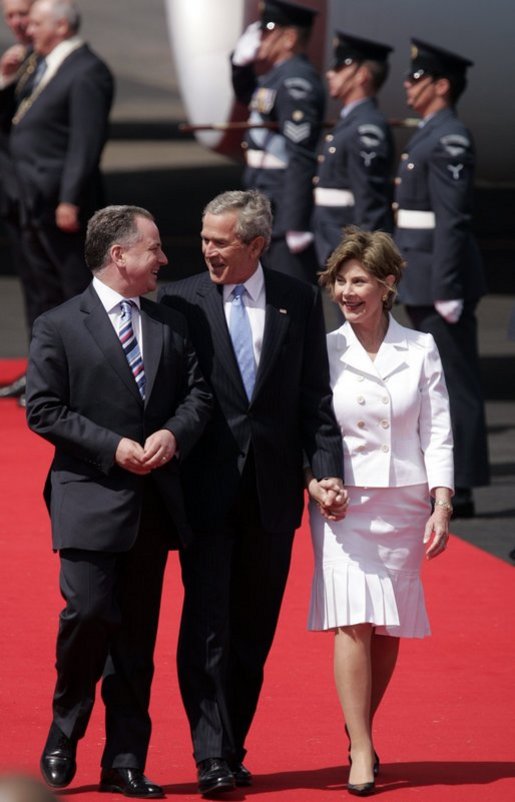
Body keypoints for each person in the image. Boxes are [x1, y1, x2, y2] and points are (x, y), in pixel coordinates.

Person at [159, 189, 346, 795]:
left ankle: (233, 744)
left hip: (271, 494)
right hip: (205, 488)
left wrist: (324, 469)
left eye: (221, 241)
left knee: (253, 628)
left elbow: (315, 399)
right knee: (208, 623)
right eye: (205, 239)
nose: (207, 250)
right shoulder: (180, 300)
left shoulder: (296, 300)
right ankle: (209, 753)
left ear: (257, 245)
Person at [25, 205, 212, 797]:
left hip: (154, 505)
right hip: (88, 495)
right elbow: (43, 409)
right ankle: (65, 728)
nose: (164, 259)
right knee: (86, 613)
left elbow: (197, 395)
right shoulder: (59, 324)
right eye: (153, 248)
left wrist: (172, 433)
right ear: (119, 255)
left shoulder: (168, 324)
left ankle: (125, 758)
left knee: (136, 637)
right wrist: (115, 448)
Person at [306, 227, 454, 797]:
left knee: (387, 624)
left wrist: (442, 501)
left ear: (387, 285)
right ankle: (362, 748)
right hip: (344, 504)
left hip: (405, 499)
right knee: (352, 618)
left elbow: (437, 428)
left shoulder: (419, 347)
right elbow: (311, 428)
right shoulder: (323, 350)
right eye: (339, 281)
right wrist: (316, 484)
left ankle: (359, 726)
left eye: (358, 280)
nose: (346, 291)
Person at [393, 38, 489, 517]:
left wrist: (448, 286)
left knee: (455, 380)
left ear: (442, 85)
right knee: (437, 380)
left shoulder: (450, 136)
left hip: (440, 277)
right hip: (423, 271)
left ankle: (464, 484)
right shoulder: (431, 131)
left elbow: (452, 219)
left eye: (416, 78)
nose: (407, 85)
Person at [5, 0, 114, 407]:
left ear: (61, 26)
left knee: (74, 294)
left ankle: (88, 381)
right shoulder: (41, 64)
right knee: (41, 293)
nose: (26, 29)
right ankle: (47, 376)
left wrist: (70, 199)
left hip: (60, 204)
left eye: (34, 23)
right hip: (32, 200)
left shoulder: (87, 70)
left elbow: (84, 145)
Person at [230, 0, 324, 284]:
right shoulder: (277, 76)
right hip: (265, 196)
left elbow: (301, 155)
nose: (262, 37)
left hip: (283, 203)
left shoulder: (297, 82)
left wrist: (294, 223)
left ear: (290, 37)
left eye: (268, 29)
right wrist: (238, 66)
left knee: (289, 293)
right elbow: (253, 100)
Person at [313, 31, 394, 271]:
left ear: (362, 75)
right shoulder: (351, 122)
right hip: (335, 243)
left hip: (351, 250)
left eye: (340, 66)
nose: (330, 73)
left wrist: (368, 261)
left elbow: (369, 201)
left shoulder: (365, 128)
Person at [0, 0, 35, 402]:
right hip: (16, 196)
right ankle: (38, 367)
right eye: (10, 16)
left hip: (37, 195)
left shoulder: (50, 63)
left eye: (24, 14)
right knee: (33, 288)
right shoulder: (20, 61)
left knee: (53, 289)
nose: (18, 24)